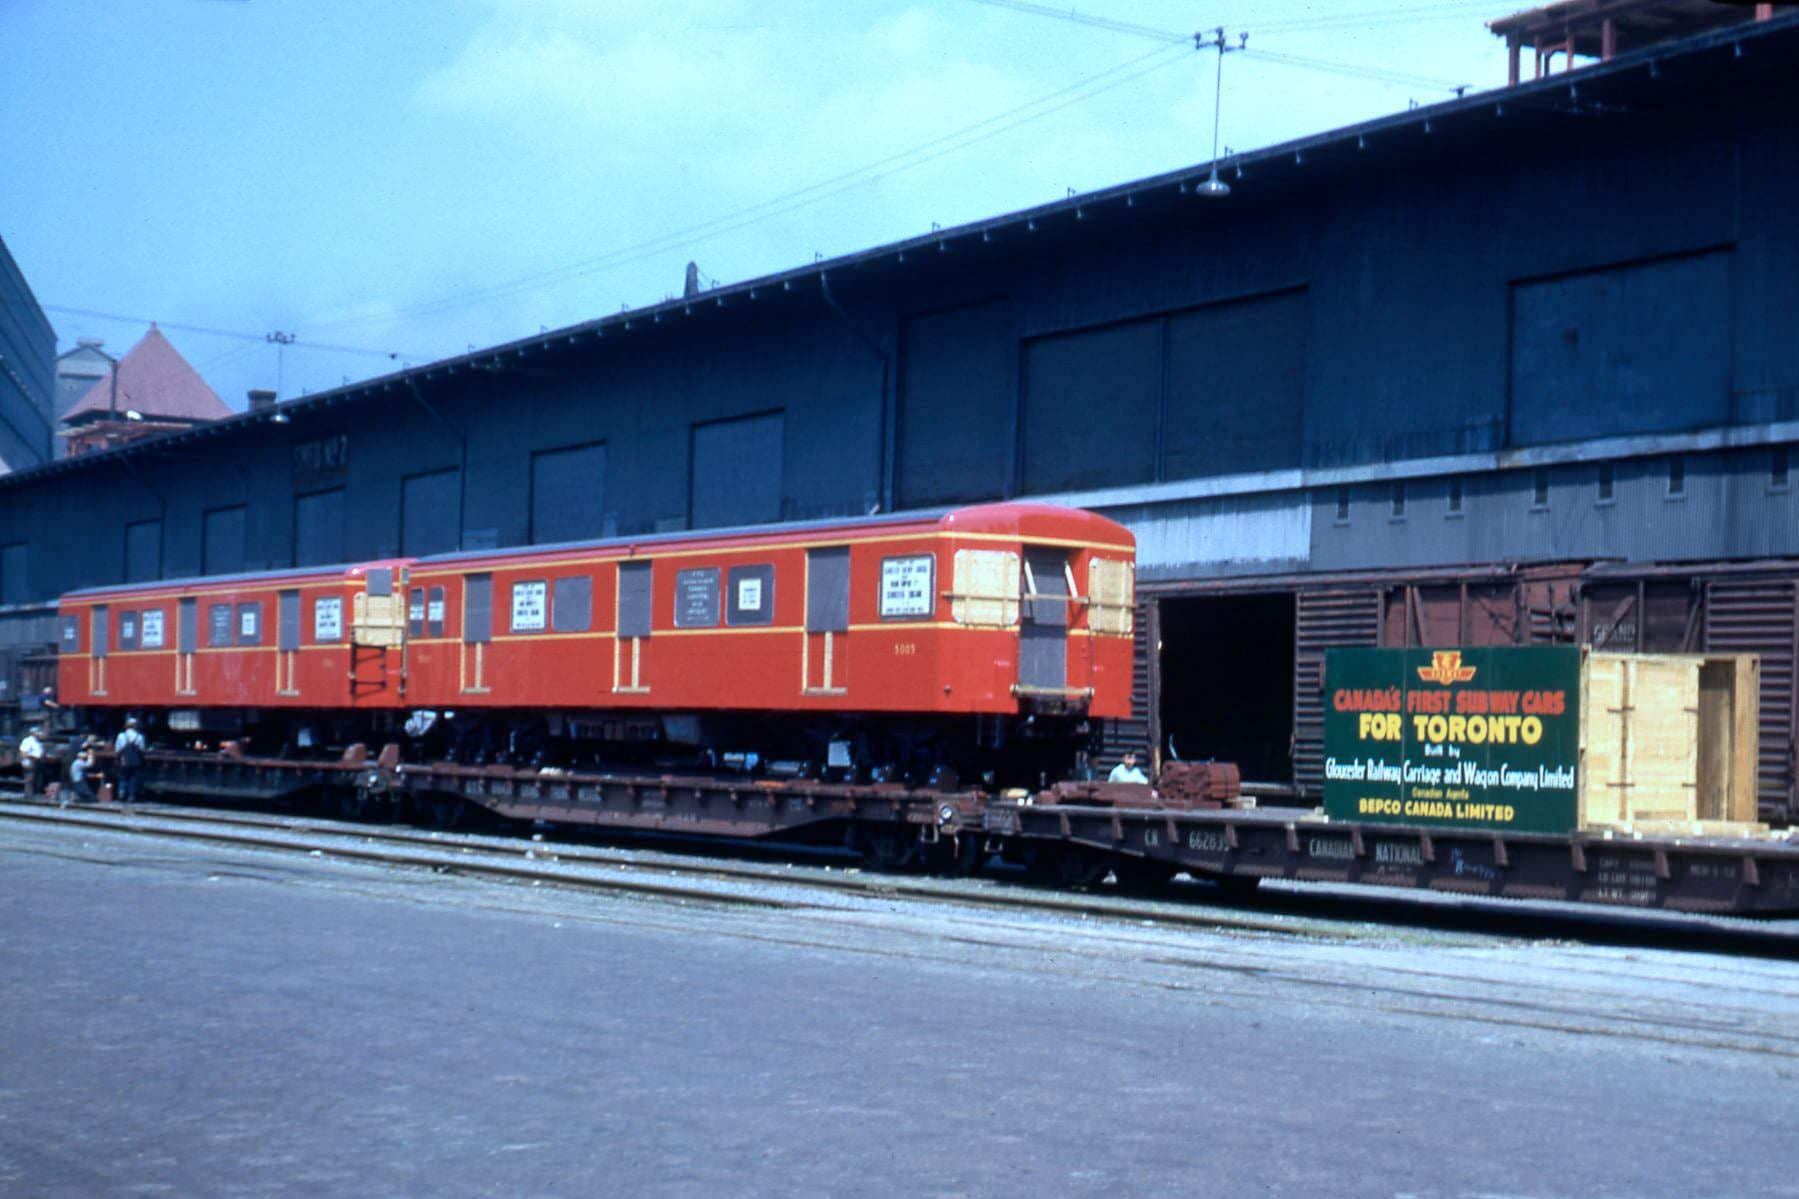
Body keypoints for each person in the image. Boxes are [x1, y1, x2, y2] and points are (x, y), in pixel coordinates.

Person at [115, 717, 148, 804]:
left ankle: (121, 794)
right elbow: (142, 749)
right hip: (135, 761)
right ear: (135, 726)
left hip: (124, 760)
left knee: (123, 778)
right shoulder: (140, 737)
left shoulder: (121, 736)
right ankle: (131, 796)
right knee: (133, 779)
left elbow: (117, 750)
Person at [66, 738, 101, 805]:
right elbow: (89, 764)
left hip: (77, 781)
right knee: (88, 796)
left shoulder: (76, 762)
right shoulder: (79, 762)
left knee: (86, 795)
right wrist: (91, 755)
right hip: (79, 782)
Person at [18, 727, 48, 800]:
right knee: (29, 779)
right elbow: (23, 753)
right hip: (29, 762)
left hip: (36, 762)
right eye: (36, 733)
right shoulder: (27, 741)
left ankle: (32, 794)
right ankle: (28, 796)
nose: (38, 734)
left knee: (34, 779)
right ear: (32, 733)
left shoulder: (37, 742)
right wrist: (28, 759)